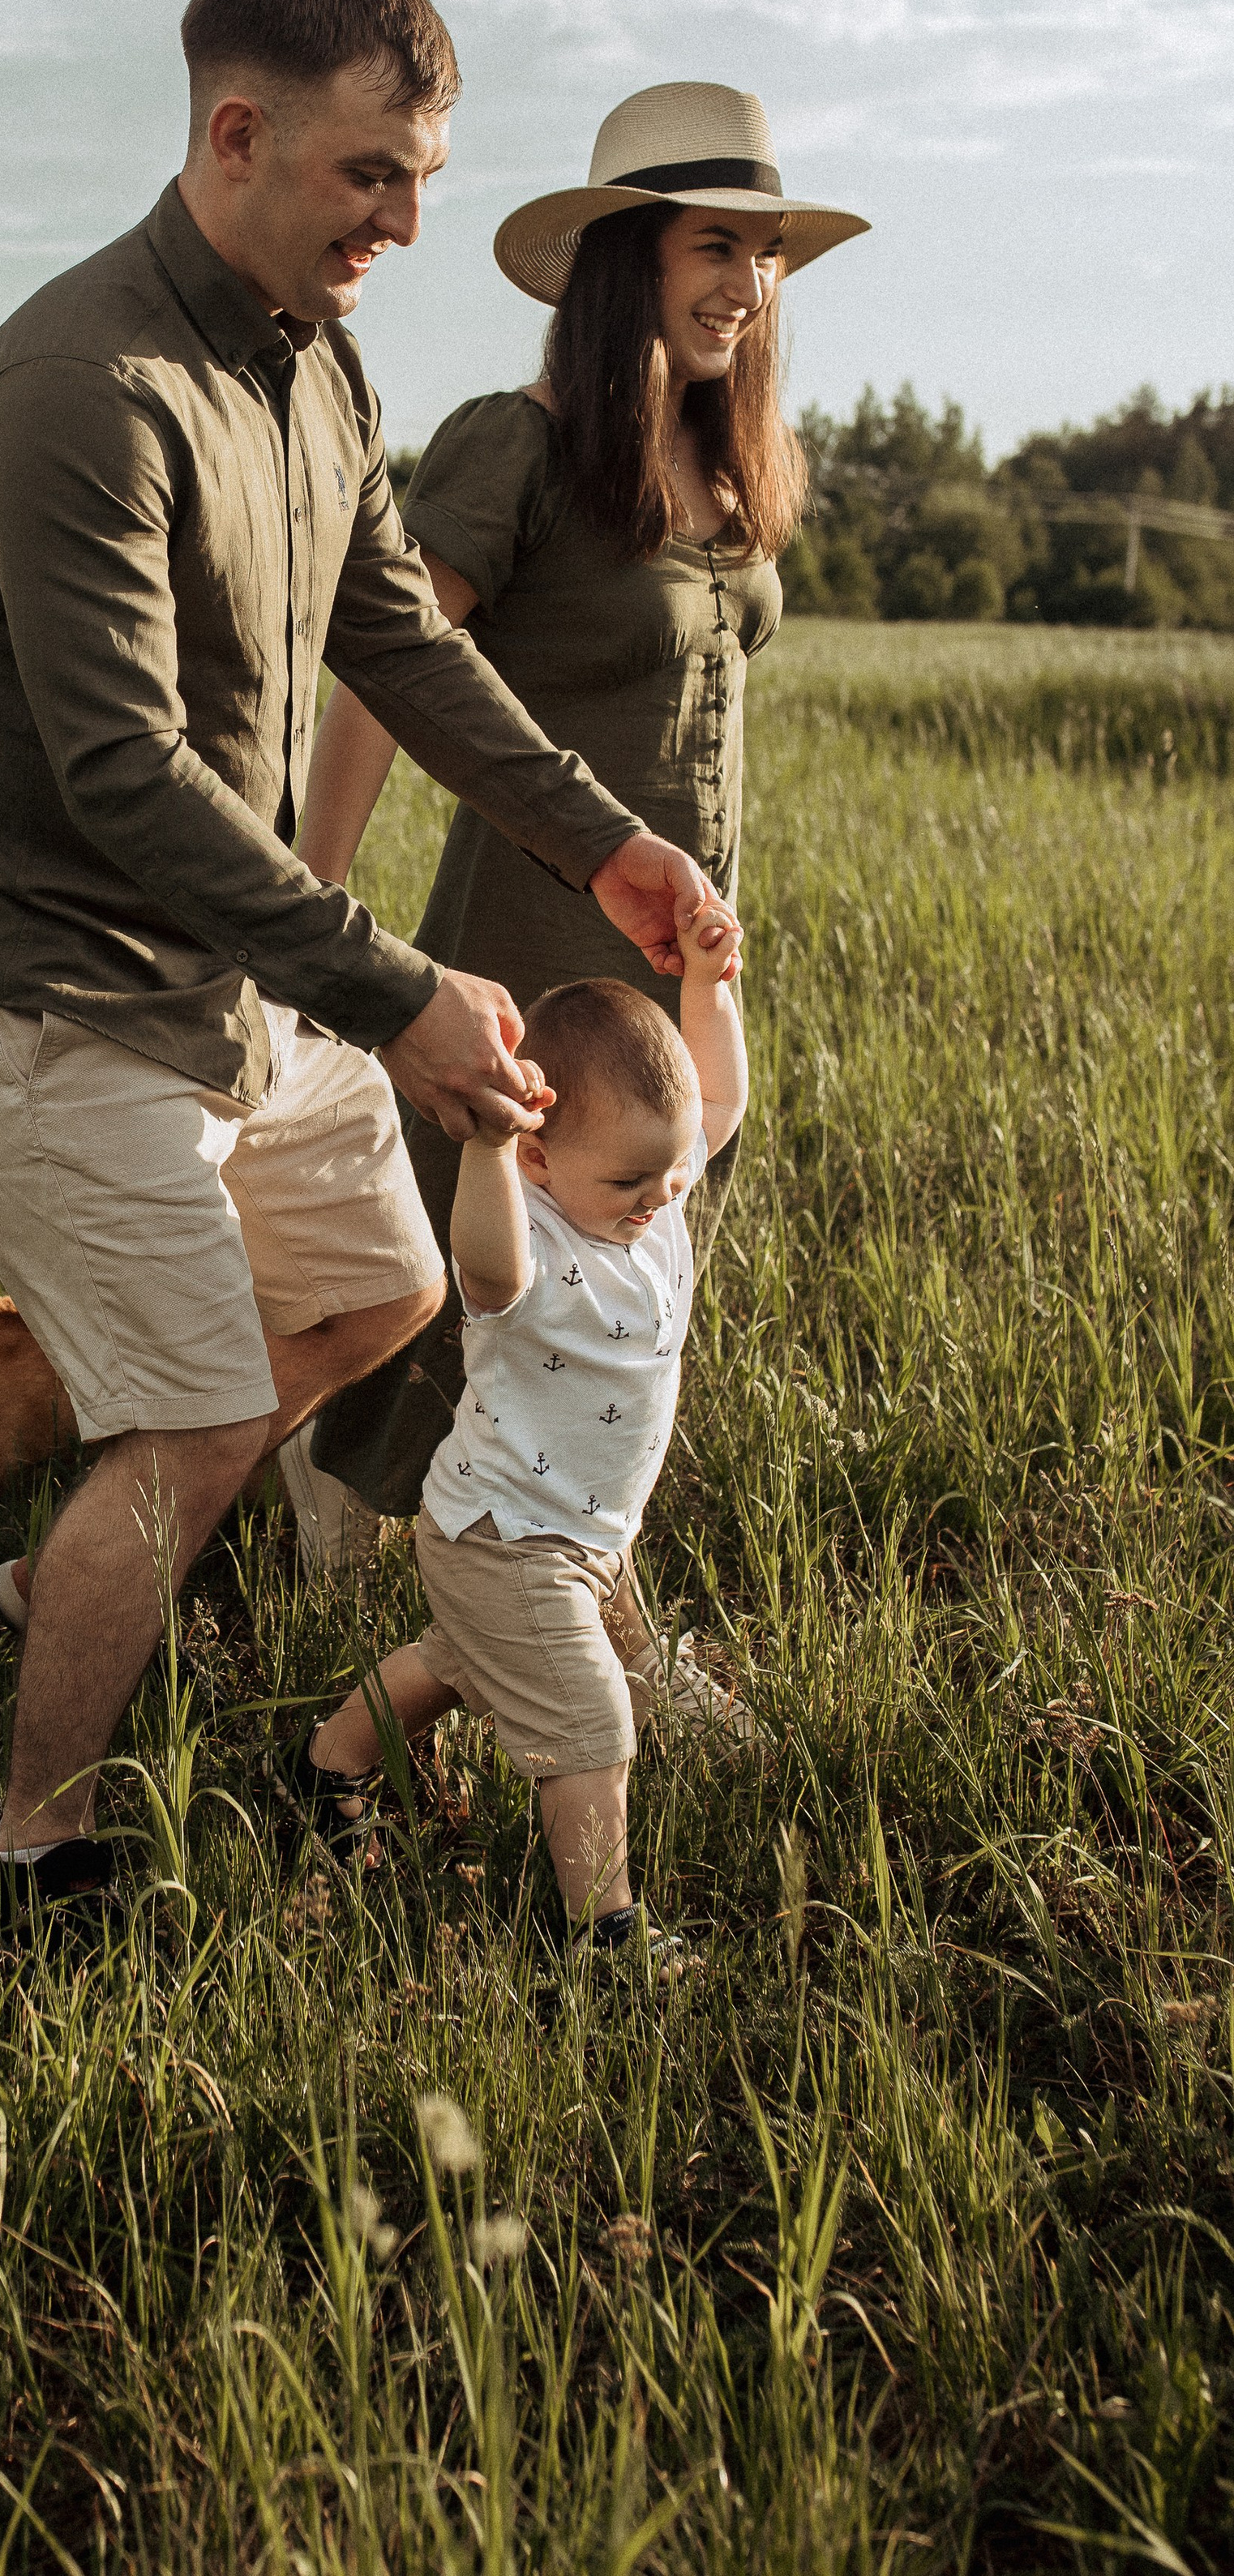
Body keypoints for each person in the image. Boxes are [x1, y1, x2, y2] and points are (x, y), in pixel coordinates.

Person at [0, 0, 717, 1949]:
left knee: (382, 1283)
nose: (405, 225)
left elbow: (398, 643)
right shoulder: (84, 390)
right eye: (371, 175)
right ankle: (33, 1855)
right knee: (187, 1425)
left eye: (421, 178)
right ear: (237, 135)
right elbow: (121, 777)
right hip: (53, 999)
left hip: (228, 987)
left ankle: (80, 1564)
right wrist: (397, 987)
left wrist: (599, 841)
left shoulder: (313, 367)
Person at [293, 80, 868, 1545]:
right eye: (714, 247)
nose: (748, 285)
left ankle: (553, 1567)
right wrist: (310, 923)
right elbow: (385, 676)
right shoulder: (522, 445)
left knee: (630, 1279)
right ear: (630, 261)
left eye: (765, 254)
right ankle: (342, 1547)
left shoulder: (728, 466)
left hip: (683, 955)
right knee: (479, 1272)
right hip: (537, 942)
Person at [283, 886, 752, 1978]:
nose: (659, 1197)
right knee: (590, 1720)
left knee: (464, 1661)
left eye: (670, 1171)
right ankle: (603, 1937)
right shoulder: (531, 1231)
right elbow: (486, 1270)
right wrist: (488, 1150)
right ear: (540, 1158)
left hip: (576, 1535)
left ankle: (327, 1766)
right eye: (630, 1180)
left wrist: (706, 985)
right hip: (508, 1535)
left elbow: (717, 1097)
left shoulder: (652, 1185)